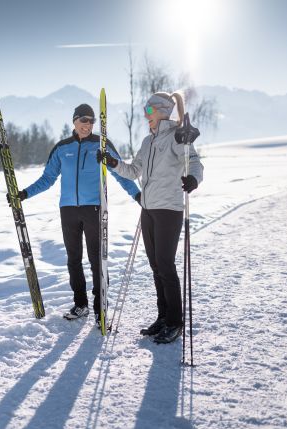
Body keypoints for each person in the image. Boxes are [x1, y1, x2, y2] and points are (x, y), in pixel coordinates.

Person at [8, 103, 140, 325]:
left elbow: (121, 175)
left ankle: (101, 308)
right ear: (75, 121)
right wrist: (24, 194)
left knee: (97, 259)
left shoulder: (102, 145)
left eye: (91, 121)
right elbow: (48, 179)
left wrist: (137, 196)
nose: (87, 125)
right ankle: (81, 305)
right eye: (83, 120)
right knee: (73, 260)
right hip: (68, 210)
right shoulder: (62, 148)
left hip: (94, 208)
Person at [97, 92, 204, 343]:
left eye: (149, 111)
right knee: (156, 265)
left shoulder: (178, 137)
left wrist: (193, 180)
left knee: (166, 264)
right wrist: (113, 163)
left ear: (162, 111)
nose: (146, 117)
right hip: (148, 209)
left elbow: (195, 162)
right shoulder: (147, 141)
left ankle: (175, 322)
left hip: (169, 209)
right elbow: (134, 171)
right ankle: (163, 317)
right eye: (145, 112)